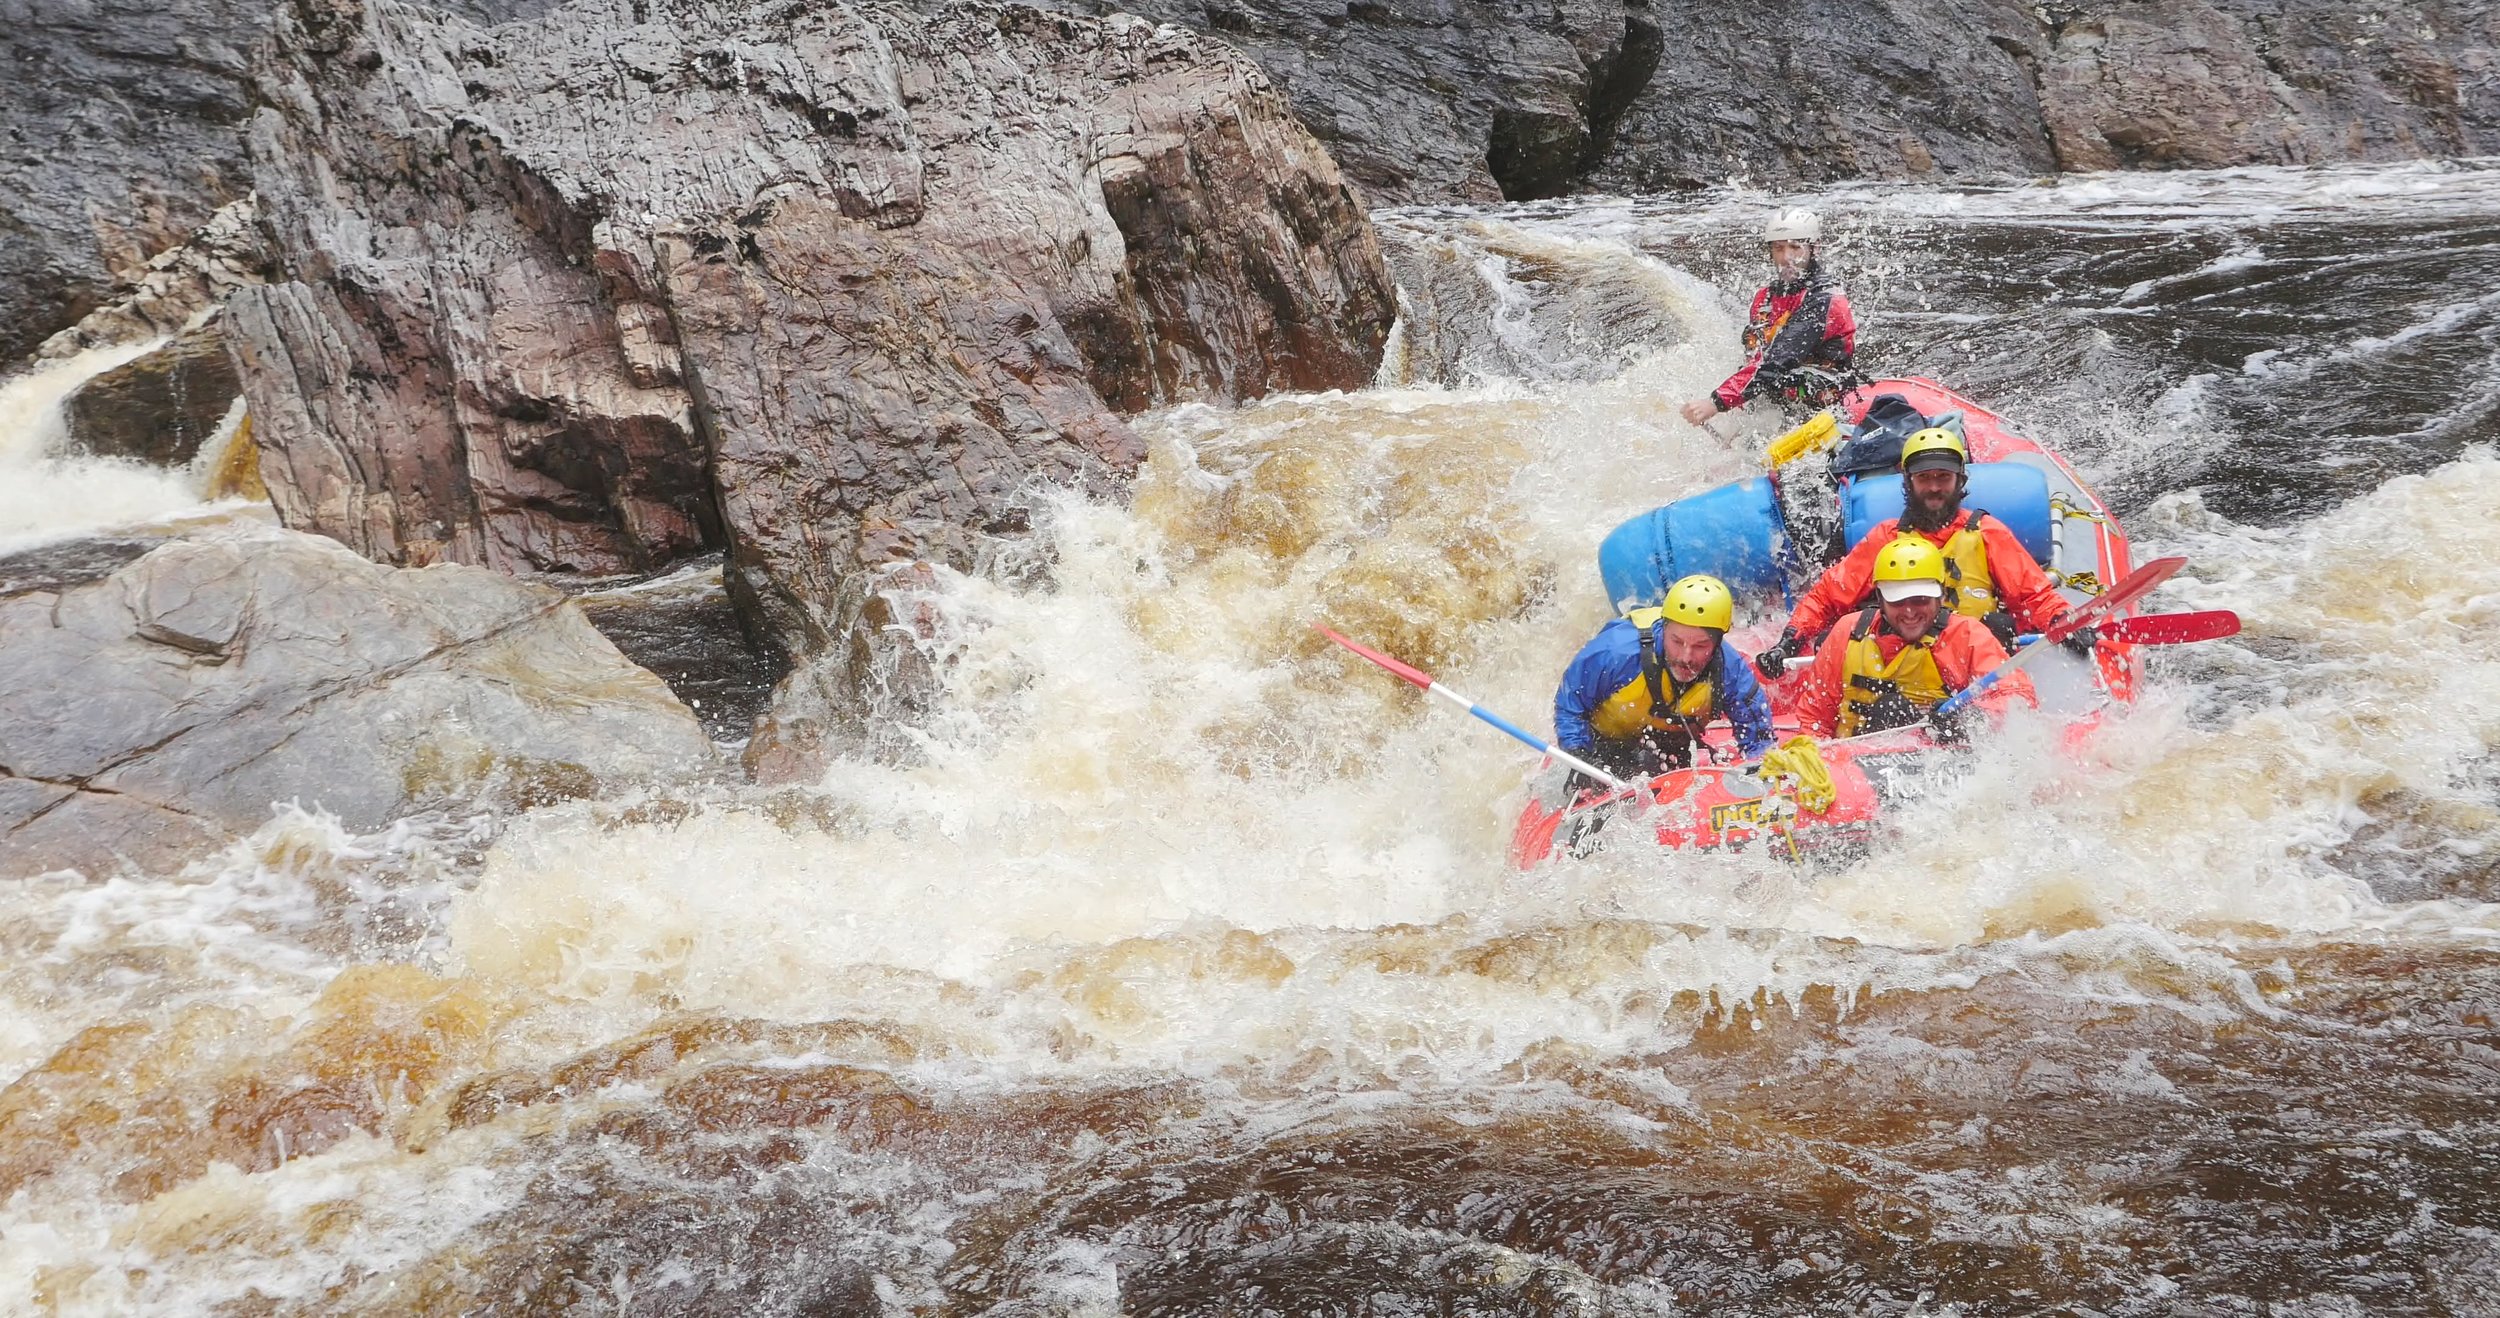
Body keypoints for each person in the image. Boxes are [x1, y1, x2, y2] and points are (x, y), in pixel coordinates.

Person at [1754, 427, 2088, 676]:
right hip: (1897, 662)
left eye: (1943, 477)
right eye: (1924, 478)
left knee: (1999, 625)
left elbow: (2035, 596)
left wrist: (2064, 623)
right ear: (1907, 481)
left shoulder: (1987, 533)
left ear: (1960, 480)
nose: (1933, 488)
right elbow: (1827, 597)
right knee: (1839, 635)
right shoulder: (1884, 538)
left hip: (1969, 662)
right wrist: (1789, 641)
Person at [1792, 538, 2035, 739]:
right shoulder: (1849, 630)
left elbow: (2018, 698)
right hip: (1854, 763)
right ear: (1880, 598)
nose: (1909, 612)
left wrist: (1969, 719)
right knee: (1887, 710)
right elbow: (1813, 717)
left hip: (1933, 764)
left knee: (1891, 709)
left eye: (1920, 600)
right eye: (1898, 601)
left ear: (1940, 596)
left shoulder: (1967, 635)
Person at [1554, 575, 1778, 783]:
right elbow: (1570, 704)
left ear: (1718, 642)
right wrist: (1579, 756)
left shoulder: (1730, 671)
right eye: (1677, 641)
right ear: (1664, 628)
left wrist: (1759, 776)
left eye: (1700, 646)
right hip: (1602, 743)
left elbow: (1759, 741)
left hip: (1670, 743)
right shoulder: (1616, 652)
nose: (1685, 657)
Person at [1678, 208, 1859, 426]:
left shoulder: (1824, 300)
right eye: (1778, 248)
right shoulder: (1765, 299)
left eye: (1795, 247)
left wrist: (1716, 402)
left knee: (1788, 375)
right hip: (1778, 405)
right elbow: (1755, 359)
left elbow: (1778, 359)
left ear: (1814, 248)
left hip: (1825, 406)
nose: (1787, 258)